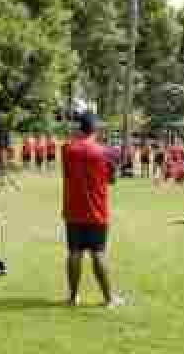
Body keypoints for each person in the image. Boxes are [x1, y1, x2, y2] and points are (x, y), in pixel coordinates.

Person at [61, 112, 123, 308]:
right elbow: (112, 179)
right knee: (98, 253)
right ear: (95, 129)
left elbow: (67, 173)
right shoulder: (106, 151)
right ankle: (109, 299)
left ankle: (72, 297)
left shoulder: (67, 149)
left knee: (74, 252)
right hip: (97, 209)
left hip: (73, 209)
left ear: (79, 128)